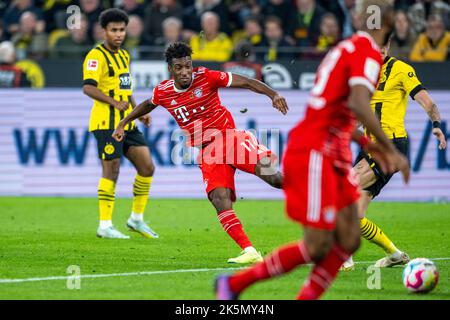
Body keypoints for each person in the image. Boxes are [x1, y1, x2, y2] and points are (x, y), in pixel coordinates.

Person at [215, 0, 410, 300]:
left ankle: (239, 286)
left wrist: (369, 145)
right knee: (318, 245)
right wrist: (389, 149)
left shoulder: (346, 48)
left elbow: (341, 115)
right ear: (388, 24)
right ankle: (234, 285)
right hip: (315, 152)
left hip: (330, 150)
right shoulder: (368, 53)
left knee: (348, 239)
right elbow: (358, 104)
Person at [112, 41, 288, 264]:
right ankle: (250, 251)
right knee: (219, 199)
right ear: (170, 69)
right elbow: (148, 104)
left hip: (231, 139)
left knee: (275, 179)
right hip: (208, 153)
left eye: (188, 66)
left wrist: (273, 95)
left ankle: (319, 194)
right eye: (179, 68)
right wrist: (124, 121)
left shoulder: (207, 77)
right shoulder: (164, 91)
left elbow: (246, 82)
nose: (185, 72)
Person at [341, 35, 447, 270]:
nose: (379, 49)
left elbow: (427, 101)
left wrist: (437, 126)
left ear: (388, 46)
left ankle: (343, 258)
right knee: (355, 215)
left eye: (383, 45)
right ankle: (395, 254)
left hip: (390, 146)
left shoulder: (400, 69)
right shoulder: (363, 74)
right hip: (370, 147)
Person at [82, 8, 158, 240]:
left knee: (147, 167)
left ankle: (136, 219)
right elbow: (88, 87)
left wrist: (138, 112)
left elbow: (126, 89)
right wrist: (114, 102)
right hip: (106, 122)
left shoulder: (124, 55)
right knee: (111, 170)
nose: (118, 34)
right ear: (103, 31)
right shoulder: (96, 56)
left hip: (127, 123)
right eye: (113, 30)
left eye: (122, 30)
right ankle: (104, 225)